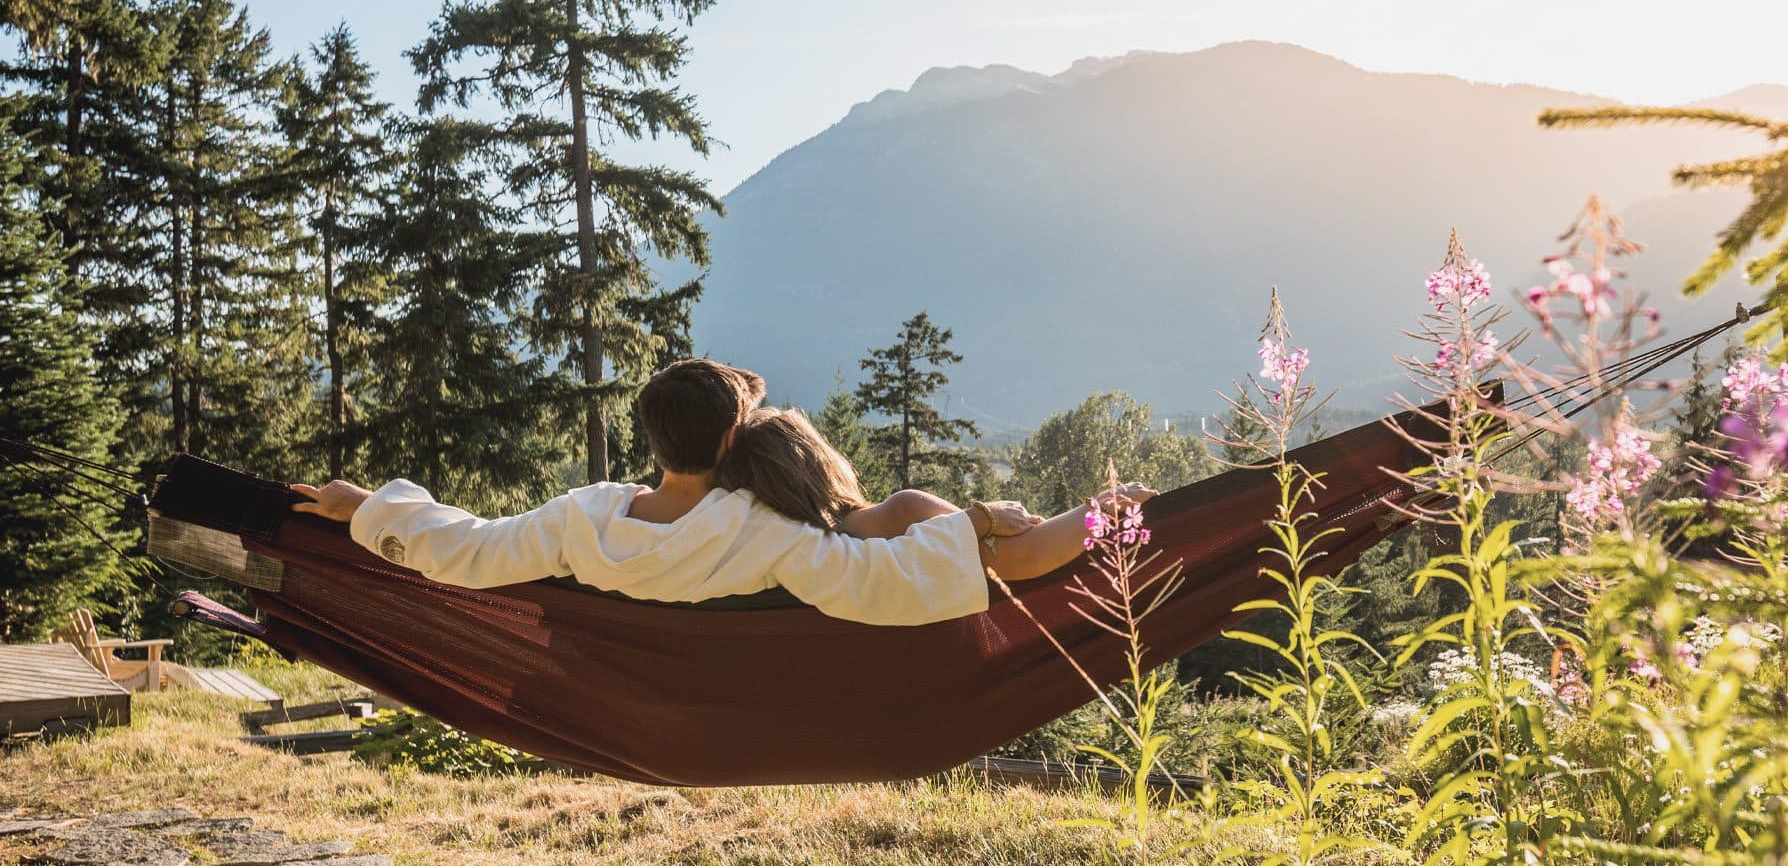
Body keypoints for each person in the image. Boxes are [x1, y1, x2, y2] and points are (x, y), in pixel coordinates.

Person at [290, 358, 1151, 627]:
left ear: (654, 440)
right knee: (910, 517)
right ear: (734, 440)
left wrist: (369, 508)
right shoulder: (765, 535)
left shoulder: (581, 521)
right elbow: (887, 580)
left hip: (633, 712)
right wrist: (1120, 509)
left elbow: (468, 548)